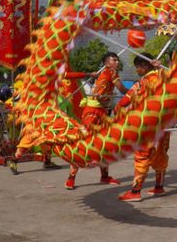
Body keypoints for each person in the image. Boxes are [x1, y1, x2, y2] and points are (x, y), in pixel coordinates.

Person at [65, 52, 128, 190]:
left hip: (101, 112)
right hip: (92, 113)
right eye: (114, 60)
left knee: (104, 145)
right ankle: (71, 177)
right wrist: (136, 91)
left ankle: (104, 176)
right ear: (107, 63)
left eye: (118, 60)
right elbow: (120, 89)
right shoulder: (110, 73)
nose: (117, 62)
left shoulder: (107, 73)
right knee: (83, 144)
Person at [116, 53, 170, 202]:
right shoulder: (164, 77)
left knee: (142, 155)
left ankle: (135, 191)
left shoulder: (142, 82)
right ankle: (159, 187)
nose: (137, 71)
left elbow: (123, 102)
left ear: (144, 66)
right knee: (160, 154)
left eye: (137, 68)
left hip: (148, 126)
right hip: (165, 124)